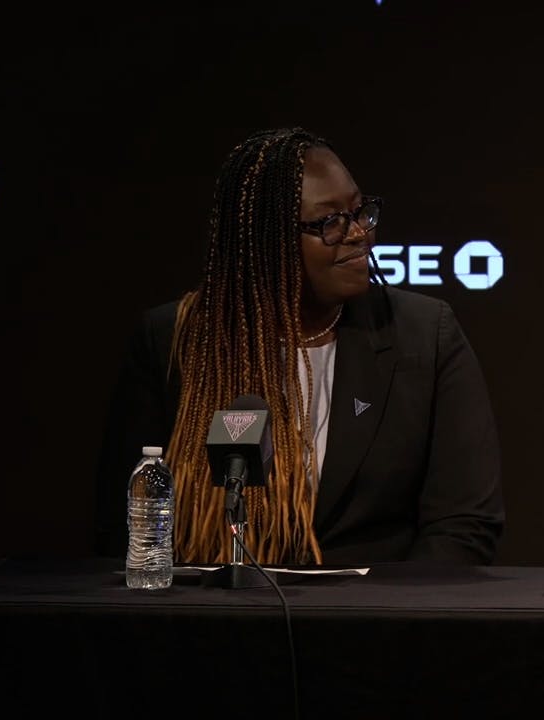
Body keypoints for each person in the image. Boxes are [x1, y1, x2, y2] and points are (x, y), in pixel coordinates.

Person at [94, 127, 504, 566]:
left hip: (377, 619)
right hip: (215, 618)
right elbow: (127, 527)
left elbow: (464, 525)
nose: (358, 233)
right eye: (329, 222)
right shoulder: (174, 341)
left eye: (359, 211)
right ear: (263, 243)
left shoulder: (423, 336)